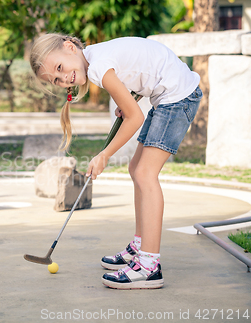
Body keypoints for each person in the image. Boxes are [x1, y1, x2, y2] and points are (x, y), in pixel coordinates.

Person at [29, 33, 201, 289]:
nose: (64, 78)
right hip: (167, 94)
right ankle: (141, 246)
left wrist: (104, 155)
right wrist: (130, 100)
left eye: (60, 68)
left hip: (177, 97)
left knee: (145, 174)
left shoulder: (98, 65)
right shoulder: (96, 58)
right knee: (136, 169)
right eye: (56, 79)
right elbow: (141, 70)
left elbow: (134, 118)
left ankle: (149, 266)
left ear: (69, 47)